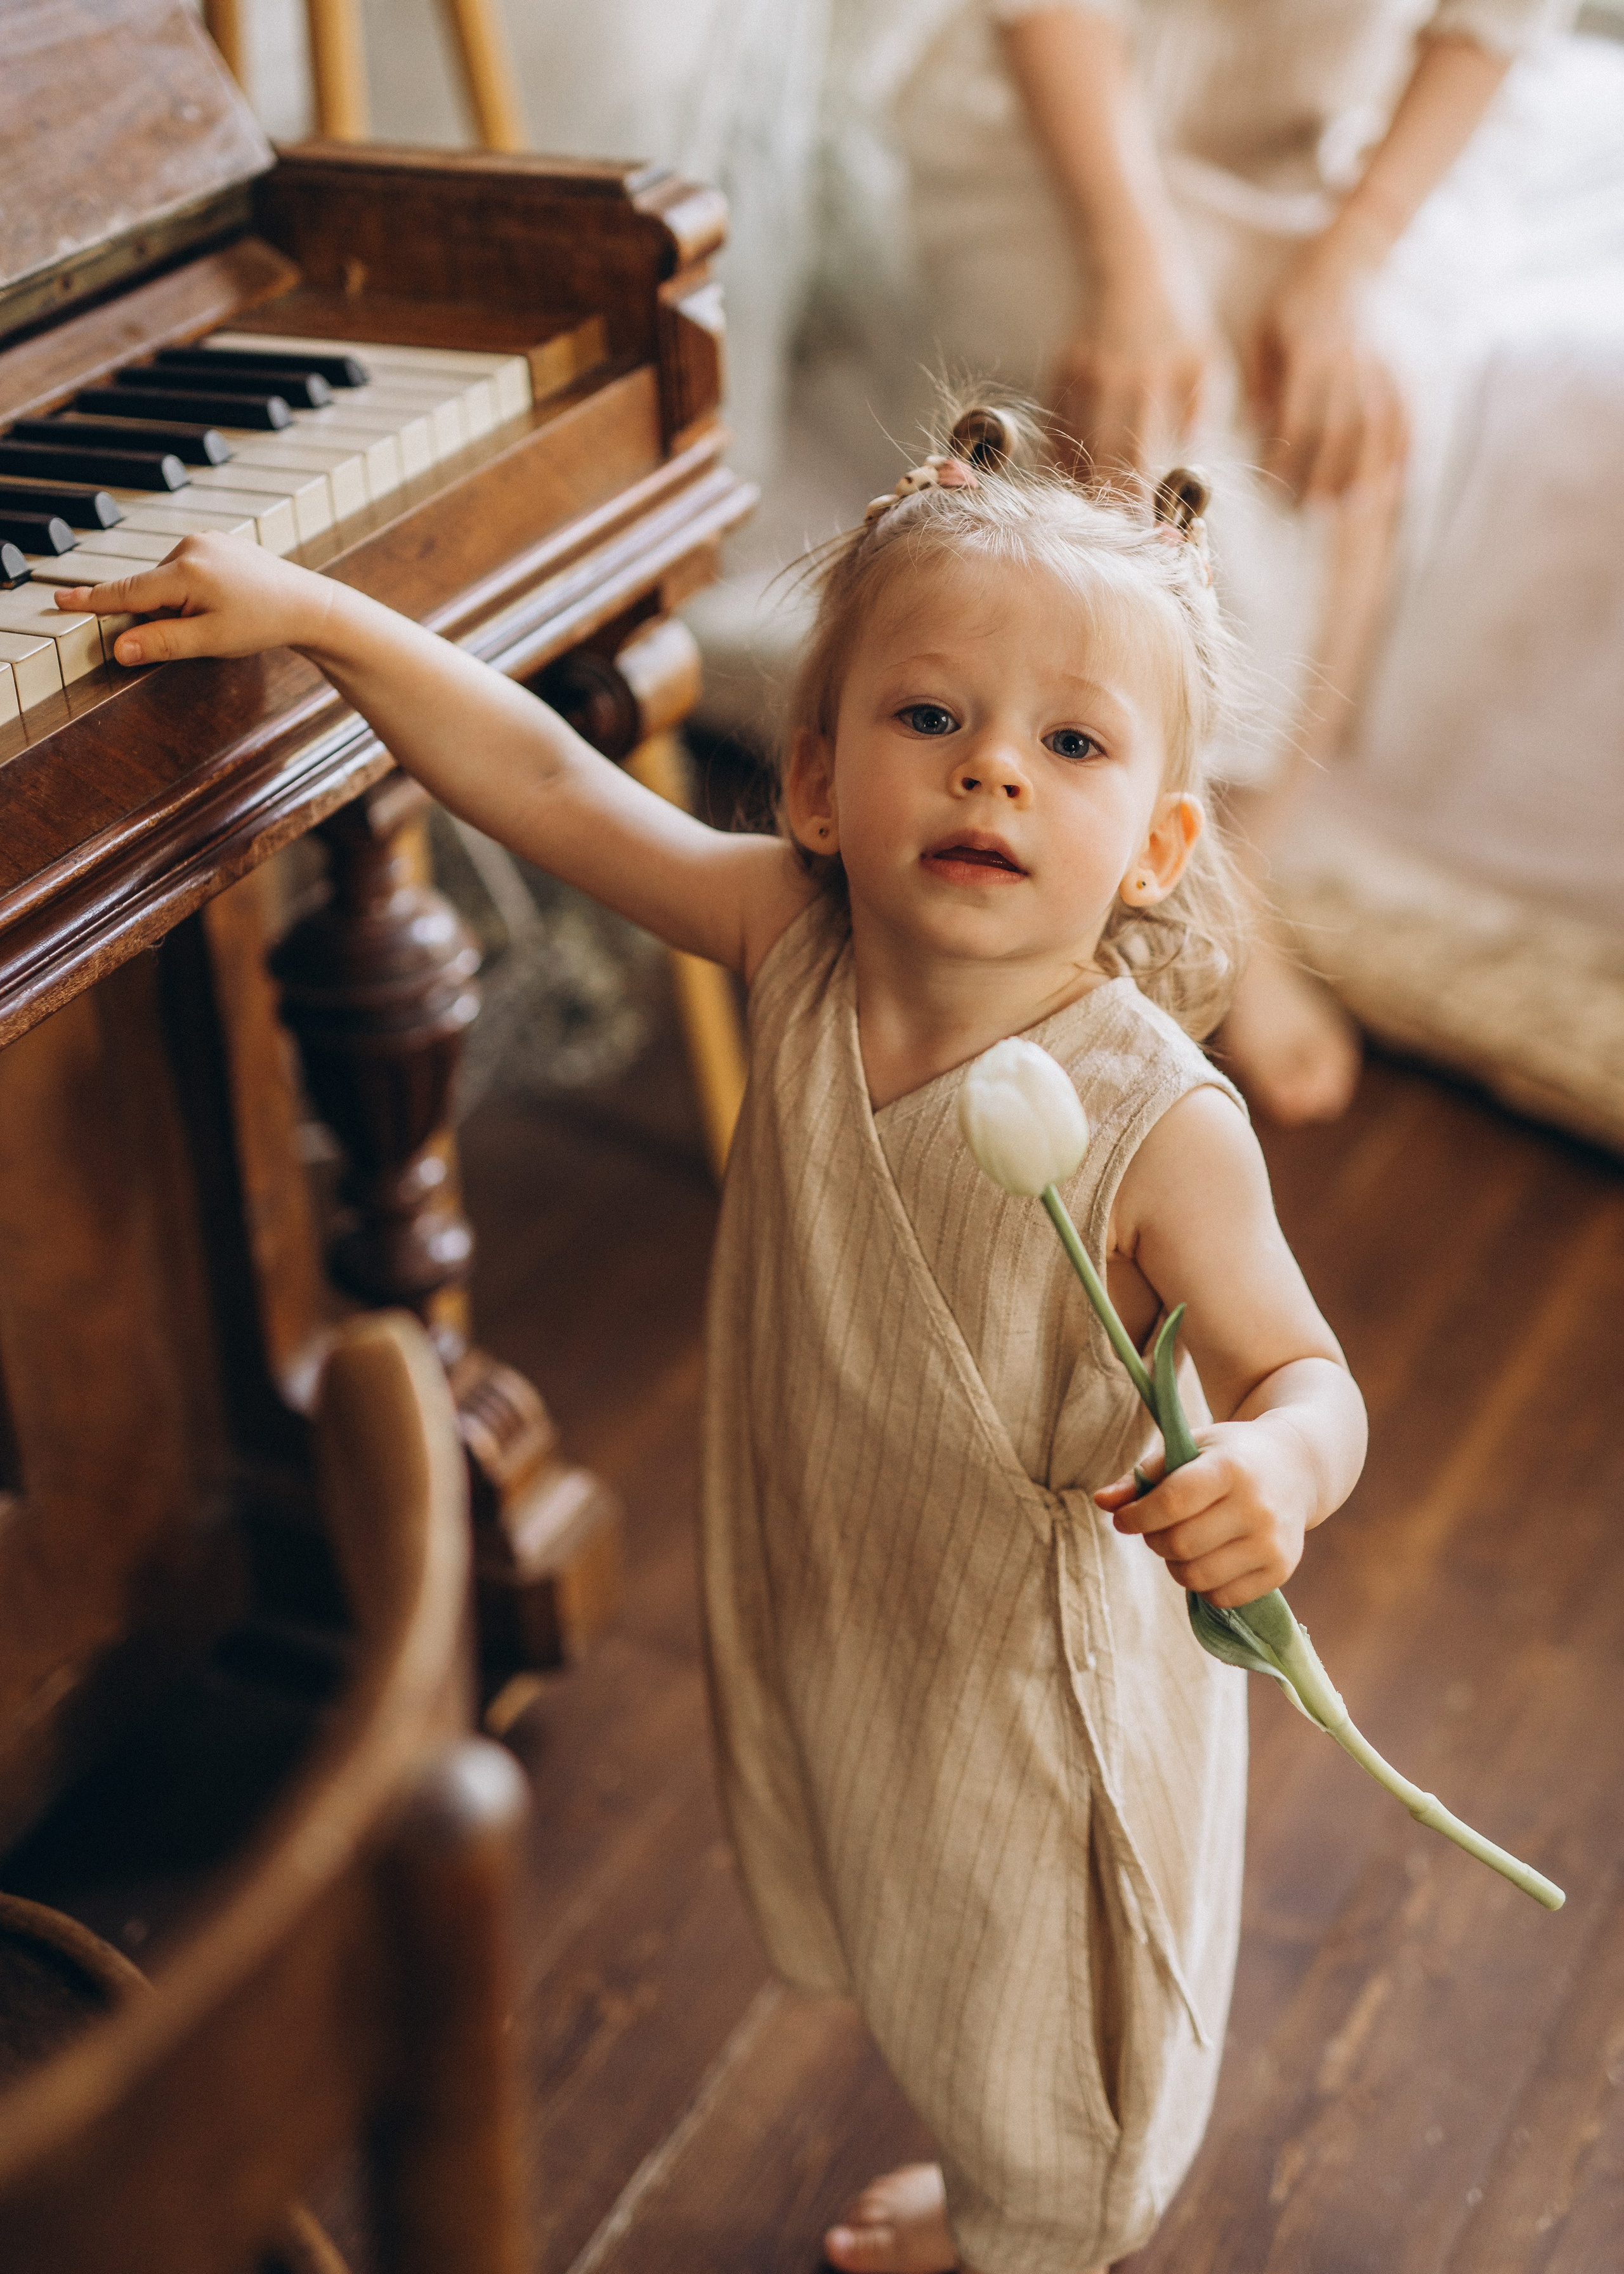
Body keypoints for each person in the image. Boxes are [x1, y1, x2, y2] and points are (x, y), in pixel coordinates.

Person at [57, 402, 1368, 2274]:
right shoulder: (792, 937)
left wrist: (1273, 1467)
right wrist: (325, 620)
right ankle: (1009, 2182)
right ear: (818, 782)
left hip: (1029, 1660)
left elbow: (1312, 1378)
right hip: (839, 1571)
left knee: (1043, 1986)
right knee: (913, 1919)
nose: (993, 771)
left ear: (1157, 843)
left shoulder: (1165, 1127)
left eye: (1068, 744)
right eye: (933, 719)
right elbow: (545, 783)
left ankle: (1042, 2227)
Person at [695, 0, 1623, 1127]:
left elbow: (1494, 23)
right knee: (1148, 416)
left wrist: (1346, 269)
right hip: (1059, 124)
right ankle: (1090, 858)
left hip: (1338, 150)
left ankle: (1236, 878)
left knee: (1356, 418)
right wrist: (1132, 263)